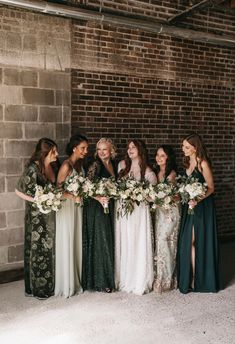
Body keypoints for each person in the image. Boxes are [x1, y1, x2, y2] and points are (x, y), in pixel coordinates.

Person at [15, 138, 58, 299]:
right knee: (38, 251)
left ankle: (51, 285)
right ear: (46, 153)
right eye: (54, 151)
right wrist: (38, 200)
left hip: (50, 216)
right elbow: (18, 191)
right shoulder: (32, 169)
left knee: (50, 251)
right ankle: (38, 289)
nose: (57, 154)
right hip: (36, 218)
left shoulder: (52, 166)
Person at [177, 132, 220, 293]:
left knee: (196, 240)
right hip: (189, 206)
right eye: (183, 146)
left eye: (187, 147)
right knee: (189, 241)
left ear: (195, 148)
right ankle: (193, 276)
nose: (183, 149)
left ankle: (199, 279)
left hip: (202, 207)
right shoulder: (187, 162)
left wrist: (197, 199)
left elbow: (211, 187)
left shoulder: (203, 164)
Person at [115, 139, 157, 295]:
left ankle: (138, 279)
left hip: (139, 213)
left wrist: (139, 195)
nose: (130, 150)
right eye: (128, 147)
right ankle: (125, 277)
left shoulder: (148, 172)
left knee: (137, 241)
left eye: (133, 147)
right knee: (125, 241)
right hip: (123, 211)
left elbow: (153, 197)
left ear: (141, 150)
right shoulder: (121, 165)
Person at [54, 134, 88, 297]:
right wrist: (73, 196)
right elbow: (57, 190)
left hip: (77, 208)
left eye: (86, 148)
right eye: (83, 148)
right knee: (68, 239)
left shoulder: (80, 165)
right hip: (67, 208)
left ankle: (76, 279)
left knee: (76, 240)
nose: (86, 151)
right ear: (74, 148)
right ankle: (66, 283)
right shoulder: (66, 166)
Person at [82, 138, 118, 292]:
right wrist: (99, 198)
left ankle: (108, 278)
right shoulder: (95, 165)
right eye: (99, 150)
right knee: (101, 241)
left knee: (108, 240)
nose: (102, 152)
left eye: (105, 149)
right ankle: (101, 282)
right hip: (96, 207)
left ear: (111, 150)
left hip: (108, 206)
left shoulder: (114, 165)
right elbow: (85, 187)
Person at [153, 145, 180, 293]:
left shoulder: (172, 174)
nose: (158, 158)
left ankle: (169, 279)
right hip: (160, 212)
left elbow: (175, 196)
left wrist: (162, 197)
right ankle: (160, 277)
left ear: (168, 158)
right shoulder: (157, 172)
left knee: (166, 241)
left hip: (171, 213)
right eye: (157, 155)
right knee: (160, 243)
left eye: (162, 156)